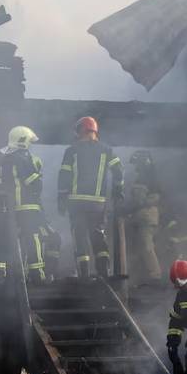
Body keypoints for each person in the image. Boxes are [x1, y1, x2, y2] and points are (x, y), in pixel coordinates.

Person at [57, 116, 124, 279]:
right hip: (97, 203)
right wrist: (118, 190)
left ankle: (84, 273)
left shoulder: (71, 150)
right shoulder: (107, 150)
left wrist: (61, 198)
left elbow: (64, 176)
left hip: (76, 202)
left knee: (79, 236)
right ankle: (103, 273)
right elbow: (119, 170)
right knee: (98, 235)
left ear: (81, 131)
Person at [0, 125, 55, 283]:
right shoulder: (23, 157)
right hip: (28, 207)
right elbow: (35, 184)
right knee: (33, 237)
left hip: (10, 207)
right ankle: (37, 275)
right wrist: (38, 172)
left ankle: (1, 273)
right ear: (23, 141)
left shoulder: (3, 160)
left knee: (8, 238)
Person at [125, 150, 162, 285]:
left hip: (145, 217)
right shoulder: (147, 178)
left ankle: (155, 277)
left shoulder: (147, 179)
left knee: (147, 247)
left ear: (143, 163)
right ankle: (144, 276)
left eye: (137, 164)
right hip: (141, 218)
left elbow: (139, 201)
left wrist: (126, 208)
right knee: (141, 248)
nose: (135, 167)